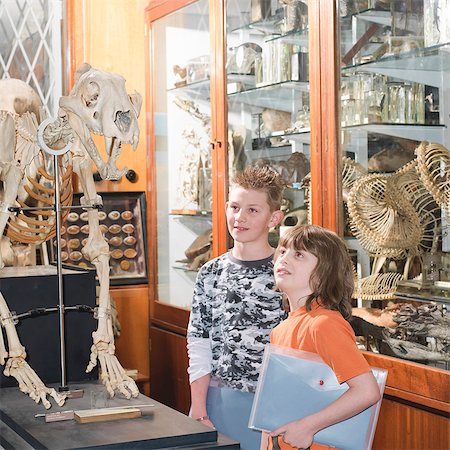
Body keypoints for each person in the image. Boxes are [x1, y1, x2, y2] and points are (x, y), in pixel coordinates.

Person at [187, 166, 287, 450]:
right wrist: (199, 407)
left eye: (253, 210)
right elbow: (198, 342)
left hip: (275, 404)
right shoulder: (210, 272)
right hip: (218, 401)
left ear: (274, 218)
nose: (240, 217)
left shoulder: (287, 272)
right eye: (234, 207)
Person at [262, 224, 381, 450]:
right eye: (283, 251)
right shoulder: (280, 329)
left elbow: (367, 391)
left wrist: (308, 426)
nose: (284, 258)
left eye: (298, 254)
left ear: (324, 273)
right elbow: (275, 401)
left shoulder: (325, 324)